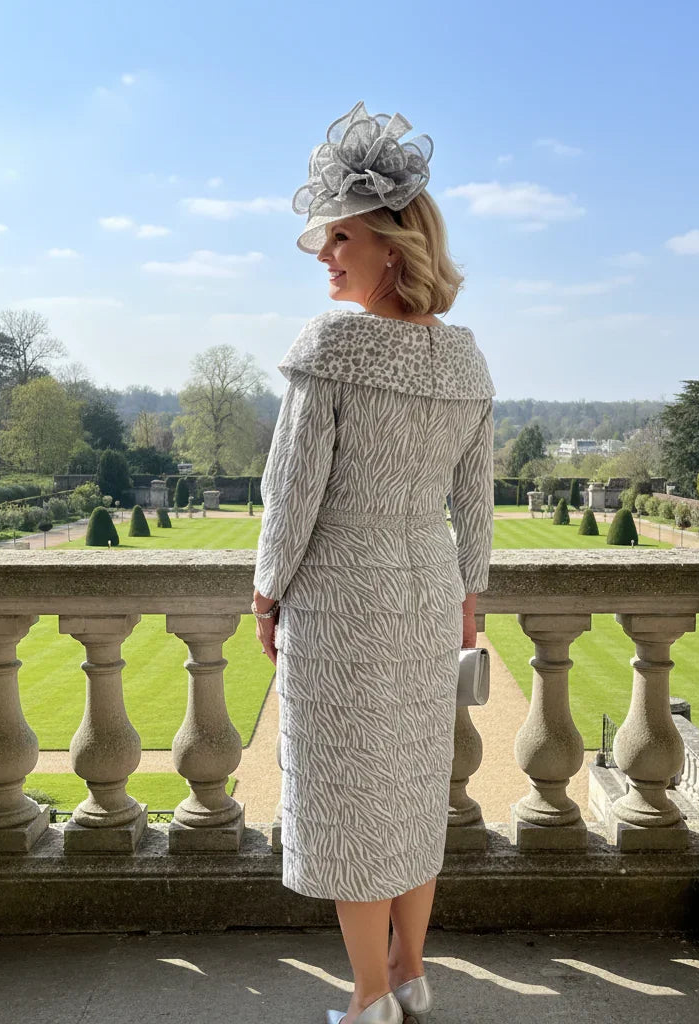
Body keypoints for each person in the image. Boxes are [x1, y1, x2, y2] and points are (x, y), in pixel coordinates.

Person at [252, 100, 495, 1024]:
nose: (324, 256)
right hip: (428, 596)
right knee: (408, 797)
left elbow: (291, 495)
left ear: (393, 246)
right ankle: (410, 975)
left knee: (353, 807)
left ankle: (364, 1001)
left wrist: (268, 594)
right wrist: (469, 602)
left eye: (340, 238)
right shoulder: (469, 362)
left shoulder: (331, 348)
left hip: (342, 600)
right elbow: (474, 506)